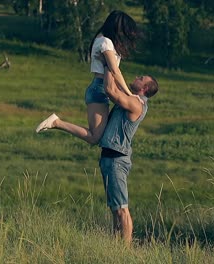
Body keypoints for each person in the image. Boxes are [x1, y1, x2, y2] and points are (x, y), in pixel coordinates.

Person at [36, 10, 141, 144]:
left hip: (101, 88)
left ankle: (56, 122)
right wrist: (129, 94)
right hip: (100, 89)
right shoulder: (105, 42)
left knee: (98, 136)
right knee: (94, 137)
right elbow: (115, 71)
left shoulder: (105, 40)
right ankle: (56, 122)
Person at [99, 69, 159, 244]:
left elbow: (111, 91)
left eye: (140, 78)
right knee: (115, 209)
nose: (136, 77)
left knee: (122, 209)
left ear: (144, 88)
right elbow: (116, 88)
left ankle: (125, 252)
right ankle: (115, 246)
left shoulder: (137, 104)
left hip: (116, 160)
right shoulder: (132, 99)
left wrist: (110, 62)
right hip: (109, 157)